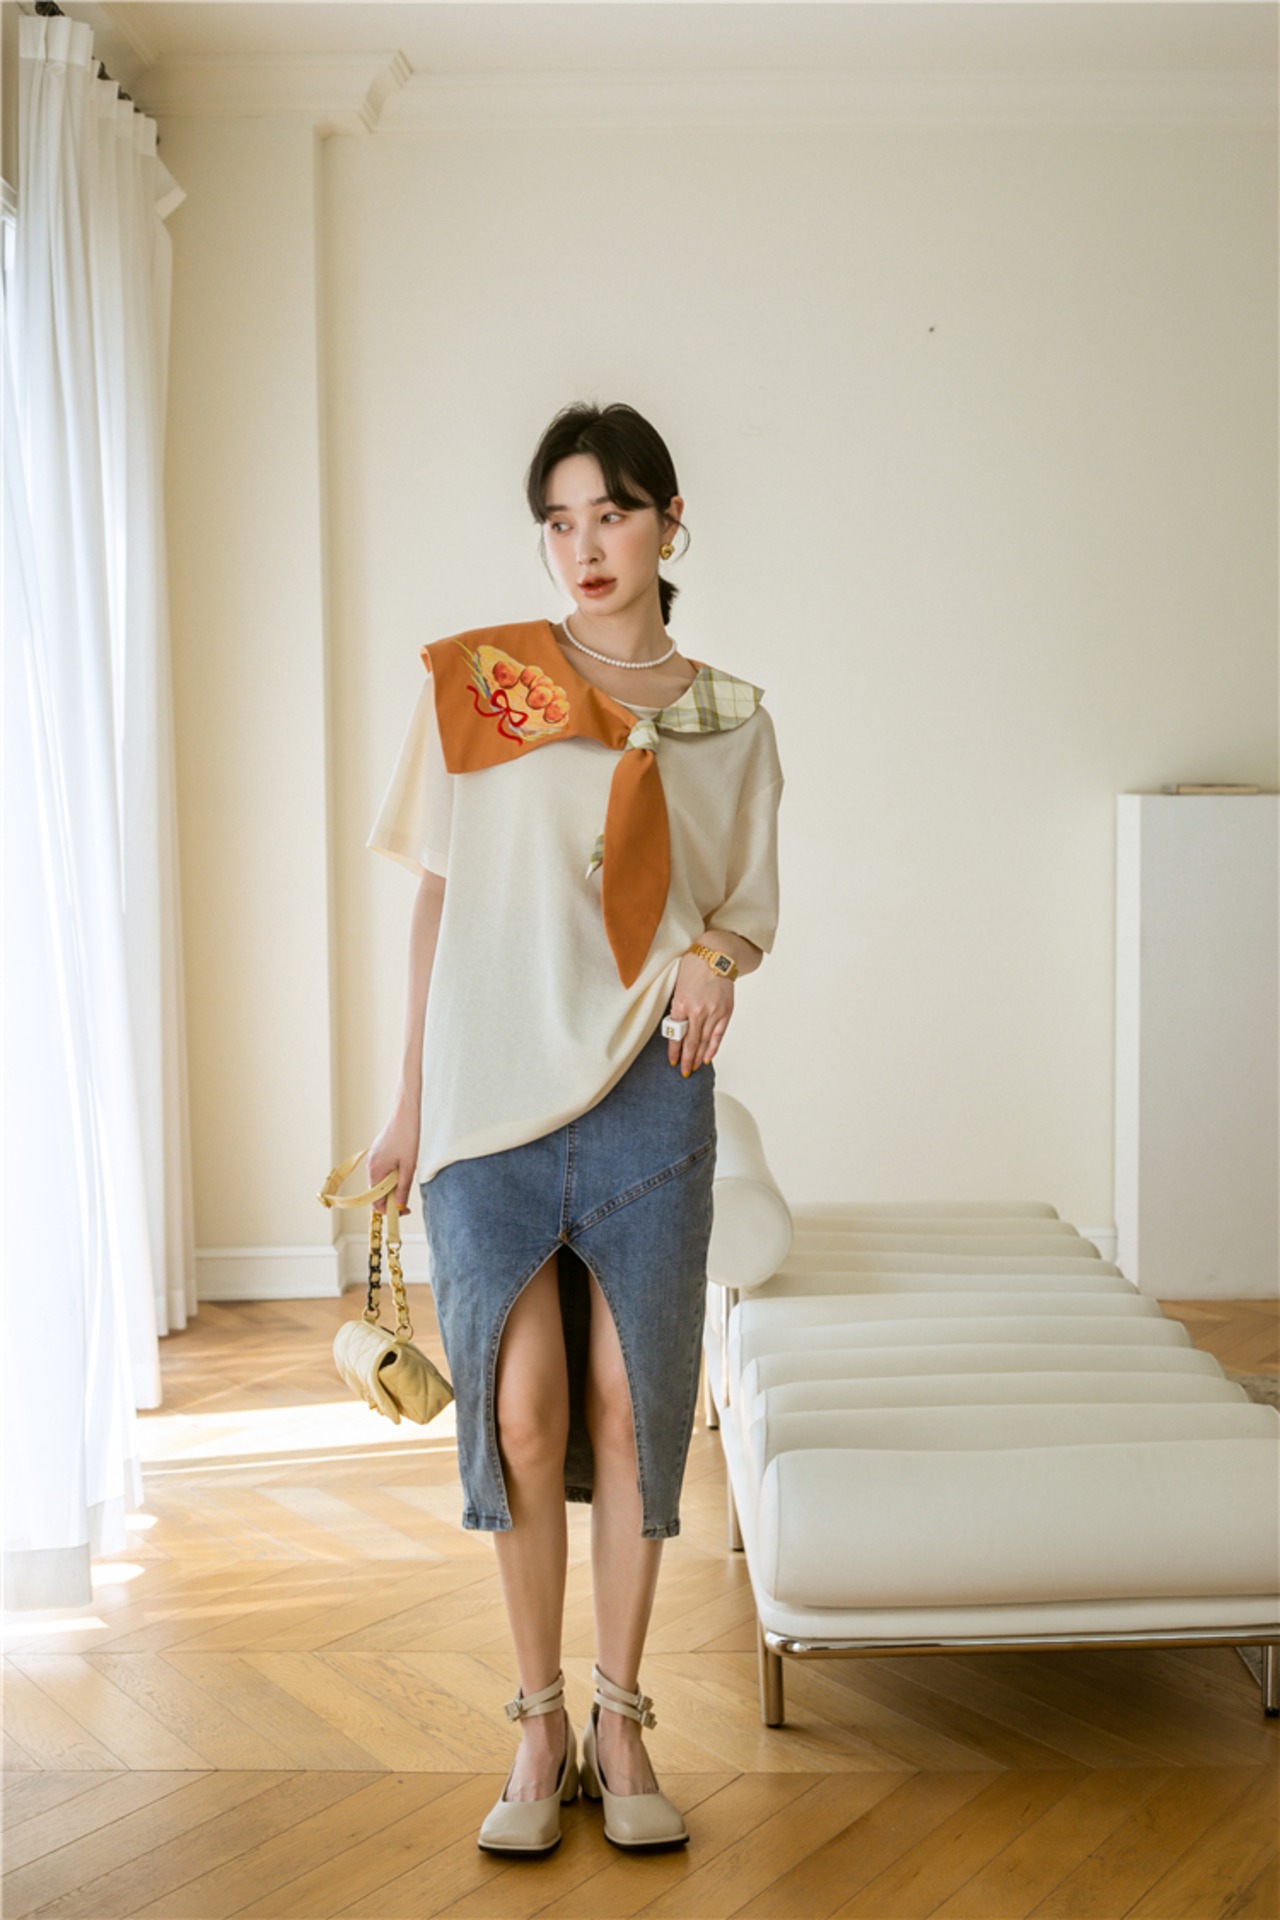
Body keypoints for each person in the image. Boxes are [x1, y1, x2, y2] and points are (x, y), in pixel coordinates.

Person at [365, 401, 783, 1855]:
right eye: (559, 520)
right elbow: (436, 896)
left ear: (669, 522)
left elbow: (742, 908)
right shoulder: (486, 683)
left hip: (645, 1090)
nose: (584, 547)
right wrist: (408, 1102)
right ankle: (537, 1726)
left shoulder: (729, 720)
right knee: (523, 1412)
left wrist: (715, 959)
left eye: (611, 514)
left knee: (631, 1405)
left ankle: (622, 1716)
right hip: (486, 1094)